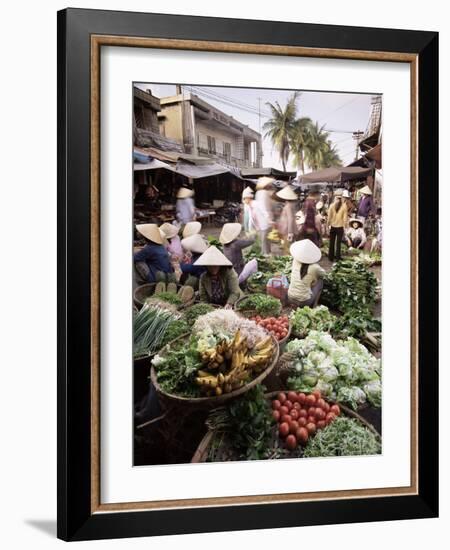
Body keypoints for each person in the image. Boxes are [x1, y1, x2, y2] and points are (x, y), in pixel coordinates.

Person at [288, 239, 326, 308]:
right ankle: (314, 306)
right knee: (320, 281)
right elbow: (324, 274)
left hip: (290, 297)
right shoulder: (315, 267)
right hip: (304, 301)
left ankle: (295, 305)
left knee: (309, 279)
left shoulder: (295, 261)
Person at [242, 187, 271, 254]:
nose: (244, 200)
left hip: (264, 226)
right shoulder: (248, 206)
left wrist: (269, 220)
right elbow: (250, 219)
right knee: (258, 243)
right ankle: (263, 254)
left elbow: (264, 212)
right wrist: (248, 230)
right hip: (257, 228)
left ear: (248, 198)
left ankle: (267, 256)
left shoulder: (257, 204)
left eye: (244, 198)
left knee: (264, 243)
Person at [275, 184, 298, 253]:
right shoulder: (291, 204)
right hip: (288, 227)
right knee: (288, 245)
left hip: (287, 228)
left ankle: (288, 258)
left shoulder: (288, 206)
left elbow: (290, 218)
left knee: (287, 247)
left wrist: (290, 232)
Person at [327, 190, 348, 262]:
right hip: (340, 227)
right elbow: (345, 218)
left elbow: (329, 217)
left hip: (333, 226)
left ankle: (330, 257)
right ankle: (338, 258)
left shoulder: (331, 205)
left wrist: (327, 225)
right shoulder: (344, 206)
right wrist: (346, 227)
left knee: (331, 242)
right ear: (341, 197)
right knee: (338, 243)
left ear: (335, 197)